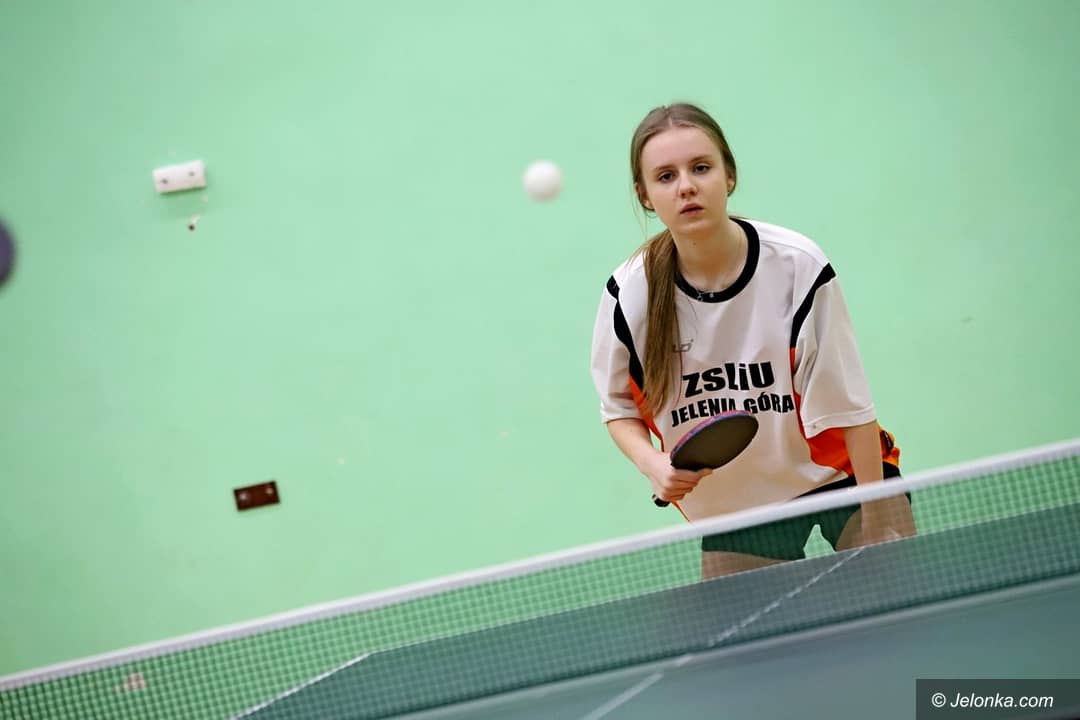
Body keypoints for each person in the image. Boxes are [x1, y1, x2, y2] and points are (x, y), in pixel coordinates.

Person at [590, 102, 915, 578]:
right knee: (744, 629)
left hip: (841, 476)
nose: (686, 186)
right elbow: (618, 409)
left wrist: (877, 518)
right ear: (645, 196)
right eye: (666, 176)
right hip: (736, 507)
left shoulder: (797, 266)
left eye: (701, 168)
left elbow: (851, 407)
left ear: (729, 176)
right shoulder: (629, 295)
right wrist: (653, 465)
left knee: (897, 599)